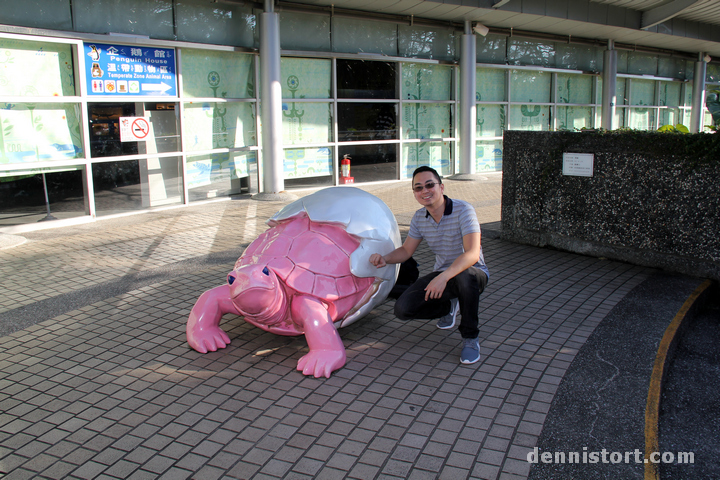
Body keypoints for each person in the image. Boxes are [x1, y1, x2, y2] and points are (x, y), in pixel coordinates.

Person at [369, 166, 489, 364]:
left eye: (429, 185)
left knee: (464, 278)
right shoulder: (418, 218)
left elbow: (472, 254)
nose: (424, 190)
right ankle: (447, 307)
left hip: (473, 273)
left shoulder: (463, 210)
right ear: (415, 194)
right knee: (403, 309)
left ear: (441, 187)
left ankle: (470, 338)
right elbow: (407, 251)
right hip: (444, 274)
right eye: (418, 188)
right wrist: (385, 258)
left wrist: (443, 277)